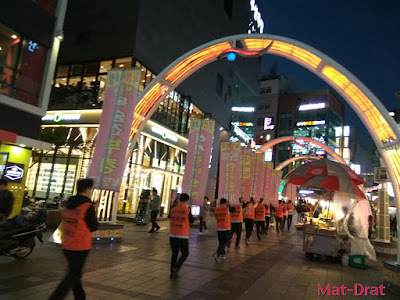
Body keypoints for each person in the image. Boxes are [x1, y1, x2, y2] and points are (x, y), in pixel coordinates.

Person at [49, 178, 99, 300]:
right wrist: (94, 210)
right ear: (87, 190)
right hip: (81, 245)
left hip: (67, 243)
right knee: (72, 275)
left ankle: (80, 296)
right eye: (90, 189)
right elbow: (93, 226)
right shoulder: (87, 206)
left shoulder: (68, 203)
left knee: (75, 272)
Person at [169, 193, 194, 279]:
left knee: (174, 253)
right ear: (187, 200)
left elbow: (170, 217)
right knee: (185, 253)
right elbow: (192, 220)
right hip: (182, 235)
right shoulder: (187, 210)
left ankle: (172, 273)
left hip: (173, 234)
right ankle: (176, 267)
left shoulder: (173, 209)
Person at [214, 198, 232, 263]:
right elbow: (234, 211)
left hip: (219, 227)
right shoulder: (227, 209)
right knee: (224, 242)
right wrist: (229, 205)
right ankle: (217, 254)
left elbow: (216, 217)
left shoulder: (216, 209)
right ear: (225, 202)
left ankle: (222, 254)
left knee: (221, 242)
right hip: (226, 227)